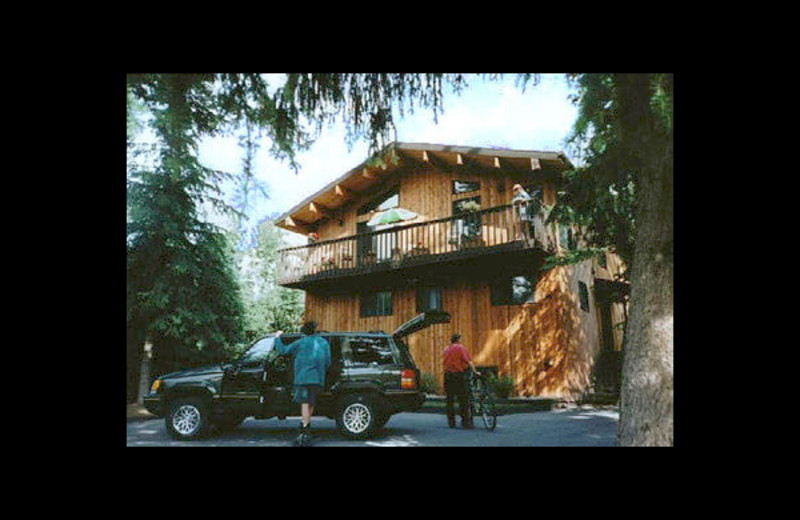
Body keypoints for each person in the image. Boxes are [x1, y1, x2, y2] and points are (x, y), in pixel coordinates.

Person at [275, 321, 331, 446]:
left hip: (303, 378)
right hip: (318, 379)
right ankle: (305, 426)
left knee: (305, 404)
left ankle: (304, 430)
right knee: (311, 403)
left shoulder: (300, 342)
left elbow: (283, 351)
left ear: (304, 331)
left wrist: (277, 337)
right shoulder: (324, 342)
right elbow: (328, 362)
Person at [442, 333, 479, 429]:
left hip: (447, 376)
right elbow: (468, 361)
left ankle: (451, 422)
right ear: (458, 340)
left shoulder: (446, 349)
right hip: (457, 376)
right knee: (463, 399)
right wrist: (475, 372)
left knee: (449, 400)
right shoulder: (460, 348)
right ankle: (465, 422)